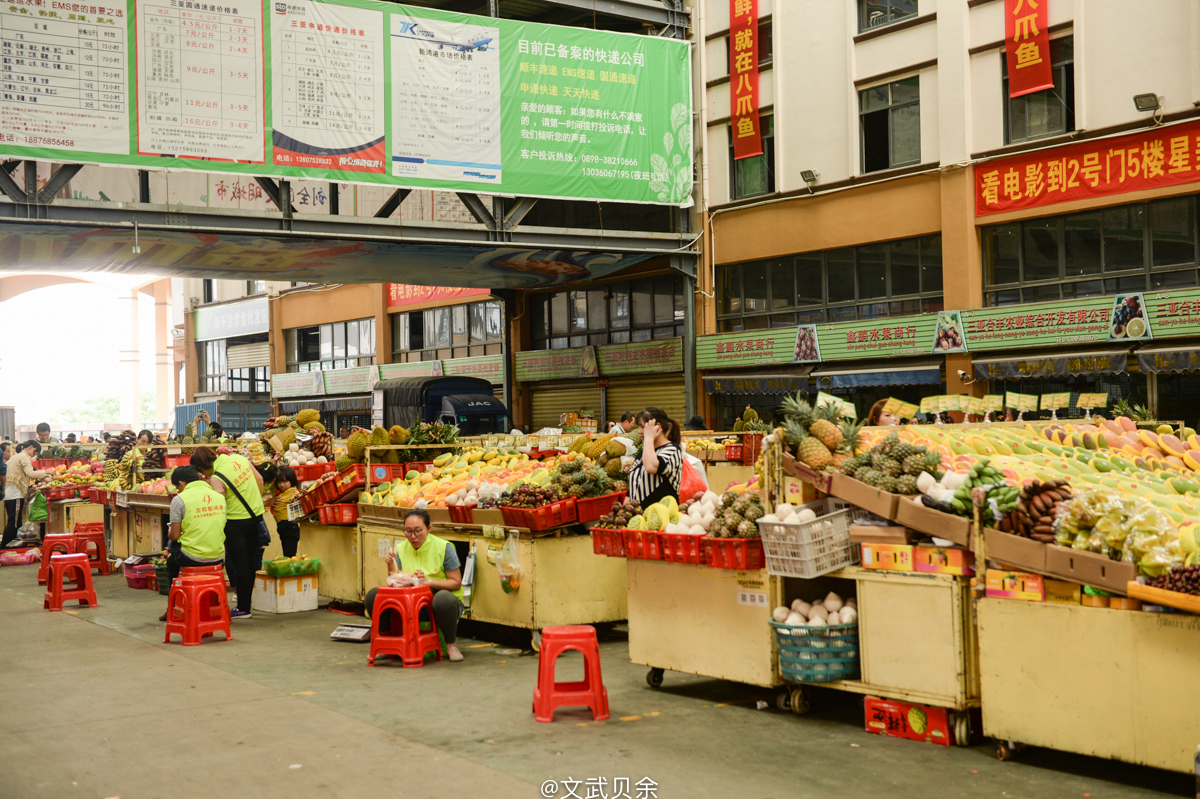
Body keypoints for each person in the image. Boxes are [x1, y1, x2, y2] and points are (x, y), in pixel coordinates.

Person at [364, 509, 464, 663]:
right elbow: (395, 581)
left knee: (443, 599)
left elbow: (456, 582)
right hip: (411, 603)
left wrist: (428, 582)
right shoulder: (402, 548)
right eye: (408, 531)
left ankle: (451, 645)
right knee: (373, 595)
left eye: (418, 531)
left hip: (439, 603)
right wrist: (390, 563)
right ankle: (386, 641)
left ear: (429, 529)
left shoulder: (444, 547)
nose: (413, 536)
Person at [190, 445, 264, 619]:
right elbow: (259, 480)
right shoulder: (239, 458)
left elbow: (219, 505)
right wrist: (256, 504)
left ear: (201, 468)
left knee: (240, 565)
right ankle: (247, 604)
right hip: (256, 518)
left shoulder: (216, 479)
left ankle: (244, 608)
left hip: (235, 524)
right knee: (252, 563)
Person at [160, 465, 226, 621]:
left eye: (177, 487)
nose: (178, 490)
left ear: (182, 483)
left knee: (171, 554)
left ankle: (173, 608)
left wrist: (170, 531)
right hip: (217, 556)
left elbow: (175, 535)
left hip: (192, 557)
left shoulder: (180, 499)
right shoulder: (219, 496)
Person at [627, 407, 683, 508]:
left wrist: (649, 438)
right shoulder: (643, 454)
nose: (639, 431)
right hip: (640, 519)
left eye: (643, 427)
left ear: (657, 427)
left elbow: (651, 467)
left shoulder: (672, 450)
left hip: (662, 519)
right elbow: (633, 488)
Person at [2, 441, 48, 547]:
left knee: (16, 522)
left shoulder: (17, 456)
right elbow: (30, 473)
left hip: (10, 493)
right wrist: (47, 472)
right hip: (15, 494)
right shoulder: (24, 457)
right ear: (31, 447)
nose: (34, 455)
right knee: (13, 523)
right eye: (35, 452)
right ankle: (4, 547)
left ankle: (12, 547)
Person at [269, 465, 302, 557]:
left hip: (290, 527)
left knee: (290, 556)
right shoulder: (280, 493)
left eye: (285, 481)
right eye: (279, 482)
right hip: (283, 527)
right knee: (287, 555)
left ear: (292, 480)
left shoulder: (293, 492)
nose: (282, 485)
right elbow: (271, 484)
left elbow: (298, 498)